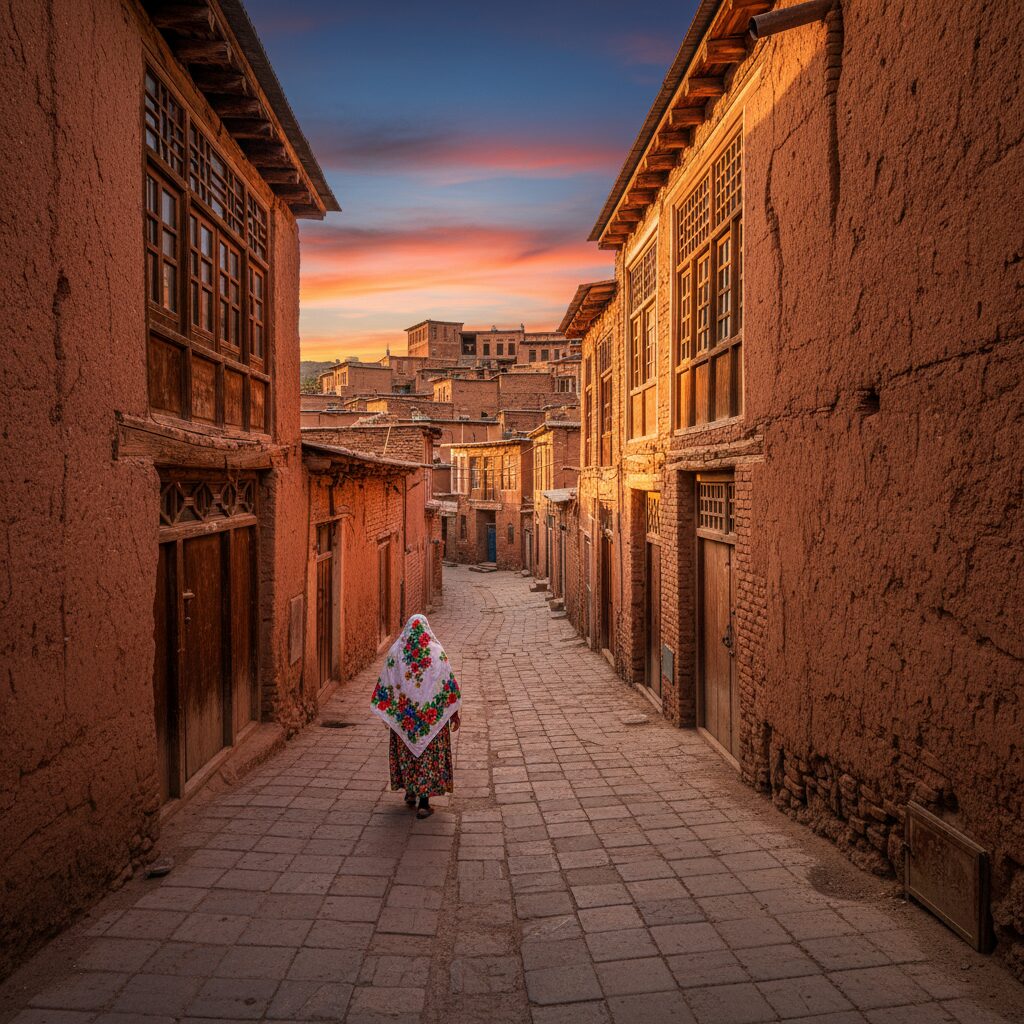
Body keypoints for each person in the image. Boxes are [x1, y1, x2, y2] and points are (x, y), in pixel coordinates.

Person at [370, 614, 461, 819]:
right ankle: (424, 803)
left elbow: (387, 683)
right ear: (426, 630)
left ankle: (410, 793)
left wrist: (390, 712)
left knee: (408, 755)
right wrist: (453, 714)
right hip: (430, 721)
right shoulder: (437, 653)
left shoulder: (396, 652)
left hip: (406, 721)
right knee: (426, 758)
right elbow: (447, 685)